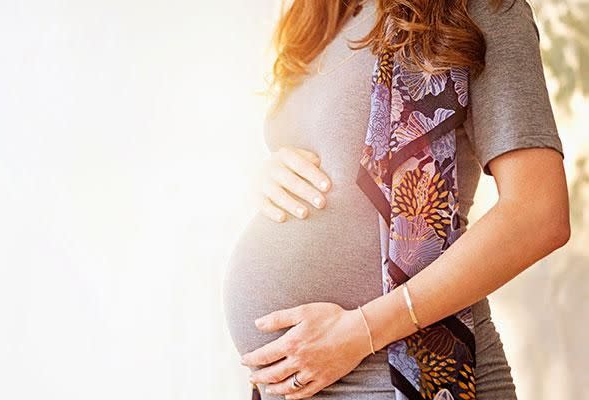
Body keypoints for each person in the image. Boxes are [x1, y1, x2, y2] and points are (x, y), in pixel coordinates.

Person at [222, 0, 570, 399]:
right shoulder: (324, 14)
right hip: (295, 383)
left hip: (397, 379)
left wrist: (361, 331)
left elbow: (538, 213)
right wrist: (268, 172)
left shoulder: (482, 10)